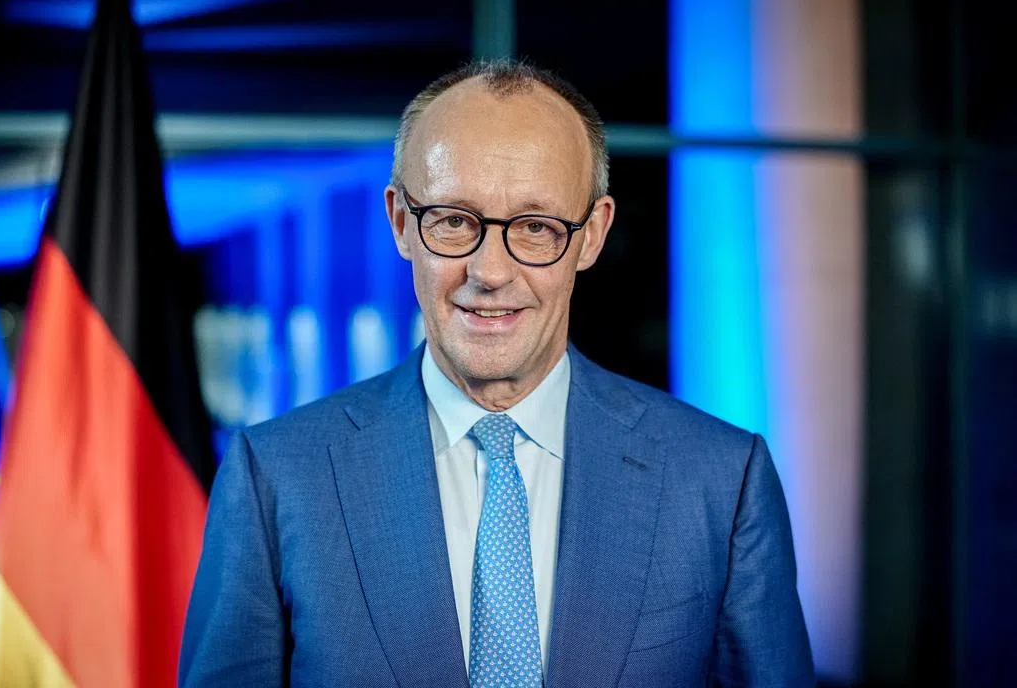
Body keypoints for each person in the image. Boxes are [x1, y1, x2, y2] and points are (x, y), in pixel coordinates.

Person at [178, 60, 815, 687]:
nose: (490, 271)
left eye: (536, 228)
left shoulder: (722, 481)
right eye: (454, 221)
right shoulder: (277, 475)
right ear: (402, 222)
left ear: (591, 236)